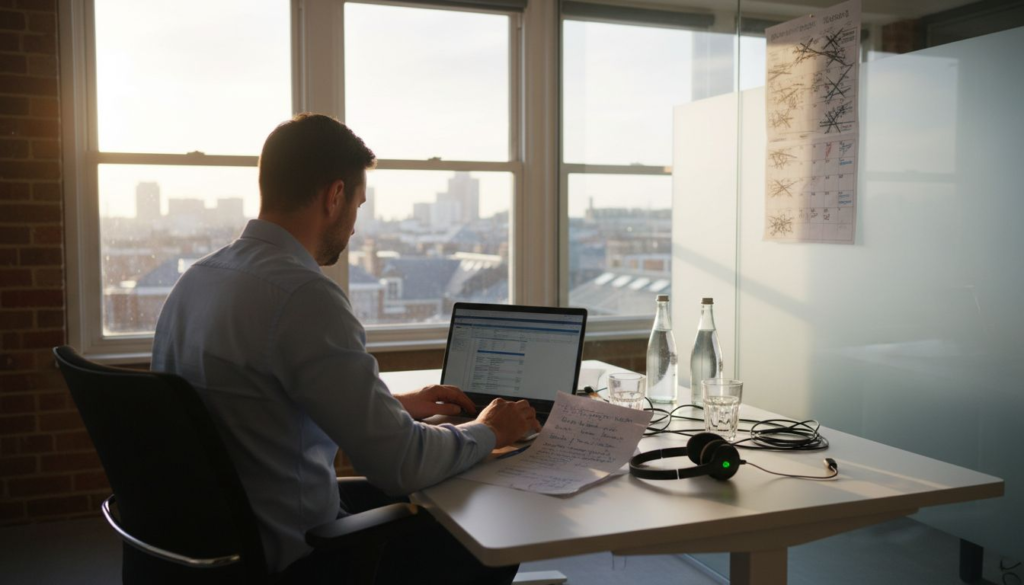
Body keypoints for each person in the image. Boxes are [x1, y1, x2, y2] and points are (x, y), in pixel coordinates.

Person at [152, 113, 539, 584]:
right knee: (490, 532)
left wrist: (394, 406)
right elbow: (402, 465)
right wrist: (489, 430)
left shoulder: (197, 280)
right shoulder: (302, 296)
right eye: (357, 203)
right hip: (301, 554)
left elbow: (257, 405)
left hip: (220, 536)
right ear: (334, 197)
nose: (355, 225)